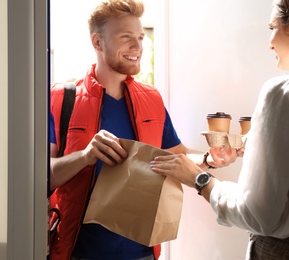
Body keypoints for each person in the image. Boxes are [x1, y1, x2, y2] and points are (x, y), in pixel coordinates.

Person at [150, 0, 289, 259]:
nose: (270, 42)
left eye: (272, 26)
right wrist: (262, 144)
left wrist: (199, 179)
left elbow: (256, 214)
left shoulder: (287, 94)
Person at [48, 0, 236, 260]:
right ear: (97, 42)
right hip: (77, 253)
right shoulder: (61, 98)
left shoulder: (151, 98)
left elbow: (176, 153)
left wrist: (208, 159)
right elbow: (40, 176)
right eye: (126, 38)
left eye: (139, 37)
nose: (138, 47)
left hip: (142, 254)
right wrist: (85, 156)